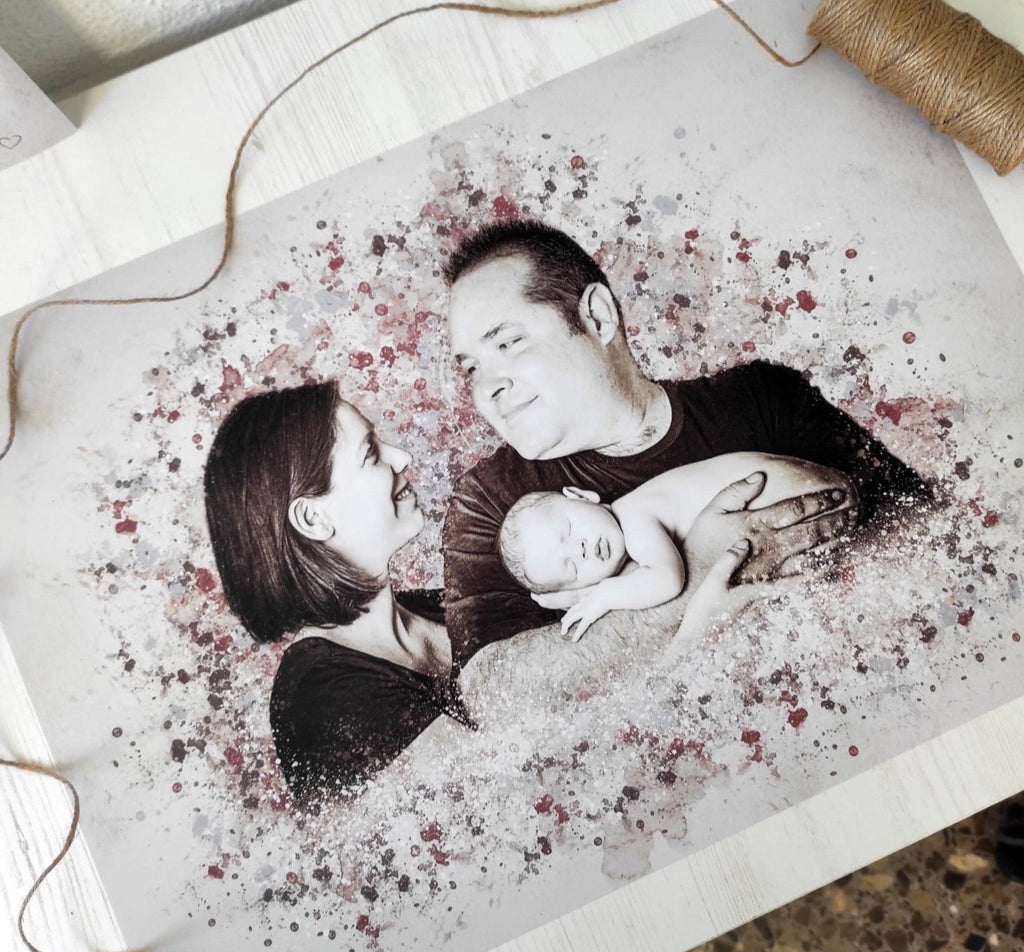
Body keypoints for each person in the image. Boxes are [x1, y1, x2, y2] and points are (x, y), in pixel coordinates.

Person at [442, 219, 932, 671]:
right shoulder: (490, 500)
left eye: (508, 343)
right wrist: (700, 571)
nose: (488, 387)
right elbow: (493, 696)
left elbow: (924, 527)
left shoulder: (760, 398)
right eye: (472, 367)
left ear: (597, 317)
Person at [203, 380, 474, 807]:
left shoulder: (438, 605)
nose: (402, 457)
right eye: (371, 453)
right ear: (313, 518)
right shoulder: (322, 696)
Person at [499, 452, 853, 641]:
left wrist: (603, 594)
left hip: (804, 498)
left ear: (582, 495)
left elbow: (667, 580)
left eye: (569, 530)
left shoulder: (633, 516)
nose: (580, 549)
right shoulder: (627, 528)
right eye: (572, 567)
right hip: (813, 489)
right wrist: (582, 594)